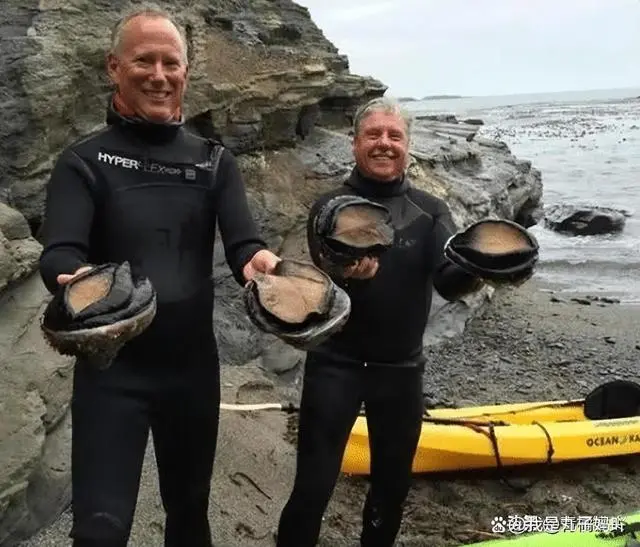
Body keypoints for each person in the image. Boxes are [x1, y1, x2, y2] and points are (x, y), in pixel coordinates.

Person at [38, 6, 280, 547]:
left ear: (186, 73)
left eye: (171, 62)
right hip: (111, 376)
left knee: (190, 517)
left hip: (191, 373)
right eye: (144, 60)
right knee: (99, 532)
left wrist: (258, 262)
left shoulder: (214, 161)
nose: (159, 74)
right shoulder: (84, 162)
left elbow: (244, 243)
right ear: (113, 67)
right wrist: (74, 279)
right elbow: (59, 251)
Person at [275, 97, 484, 547]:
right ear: (355, 144)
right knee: (313, 487)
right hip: (335, 365)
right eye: (374, 135)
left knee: (391, 491)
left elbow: (449, 280)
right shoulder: (329, 205)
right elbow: (324, 263)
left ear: (408, 146)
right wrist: (346, 271)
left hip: (400, 373)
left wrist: (483, 264)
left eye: (395, 135)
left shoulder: (430, 212)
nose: (384, 143)